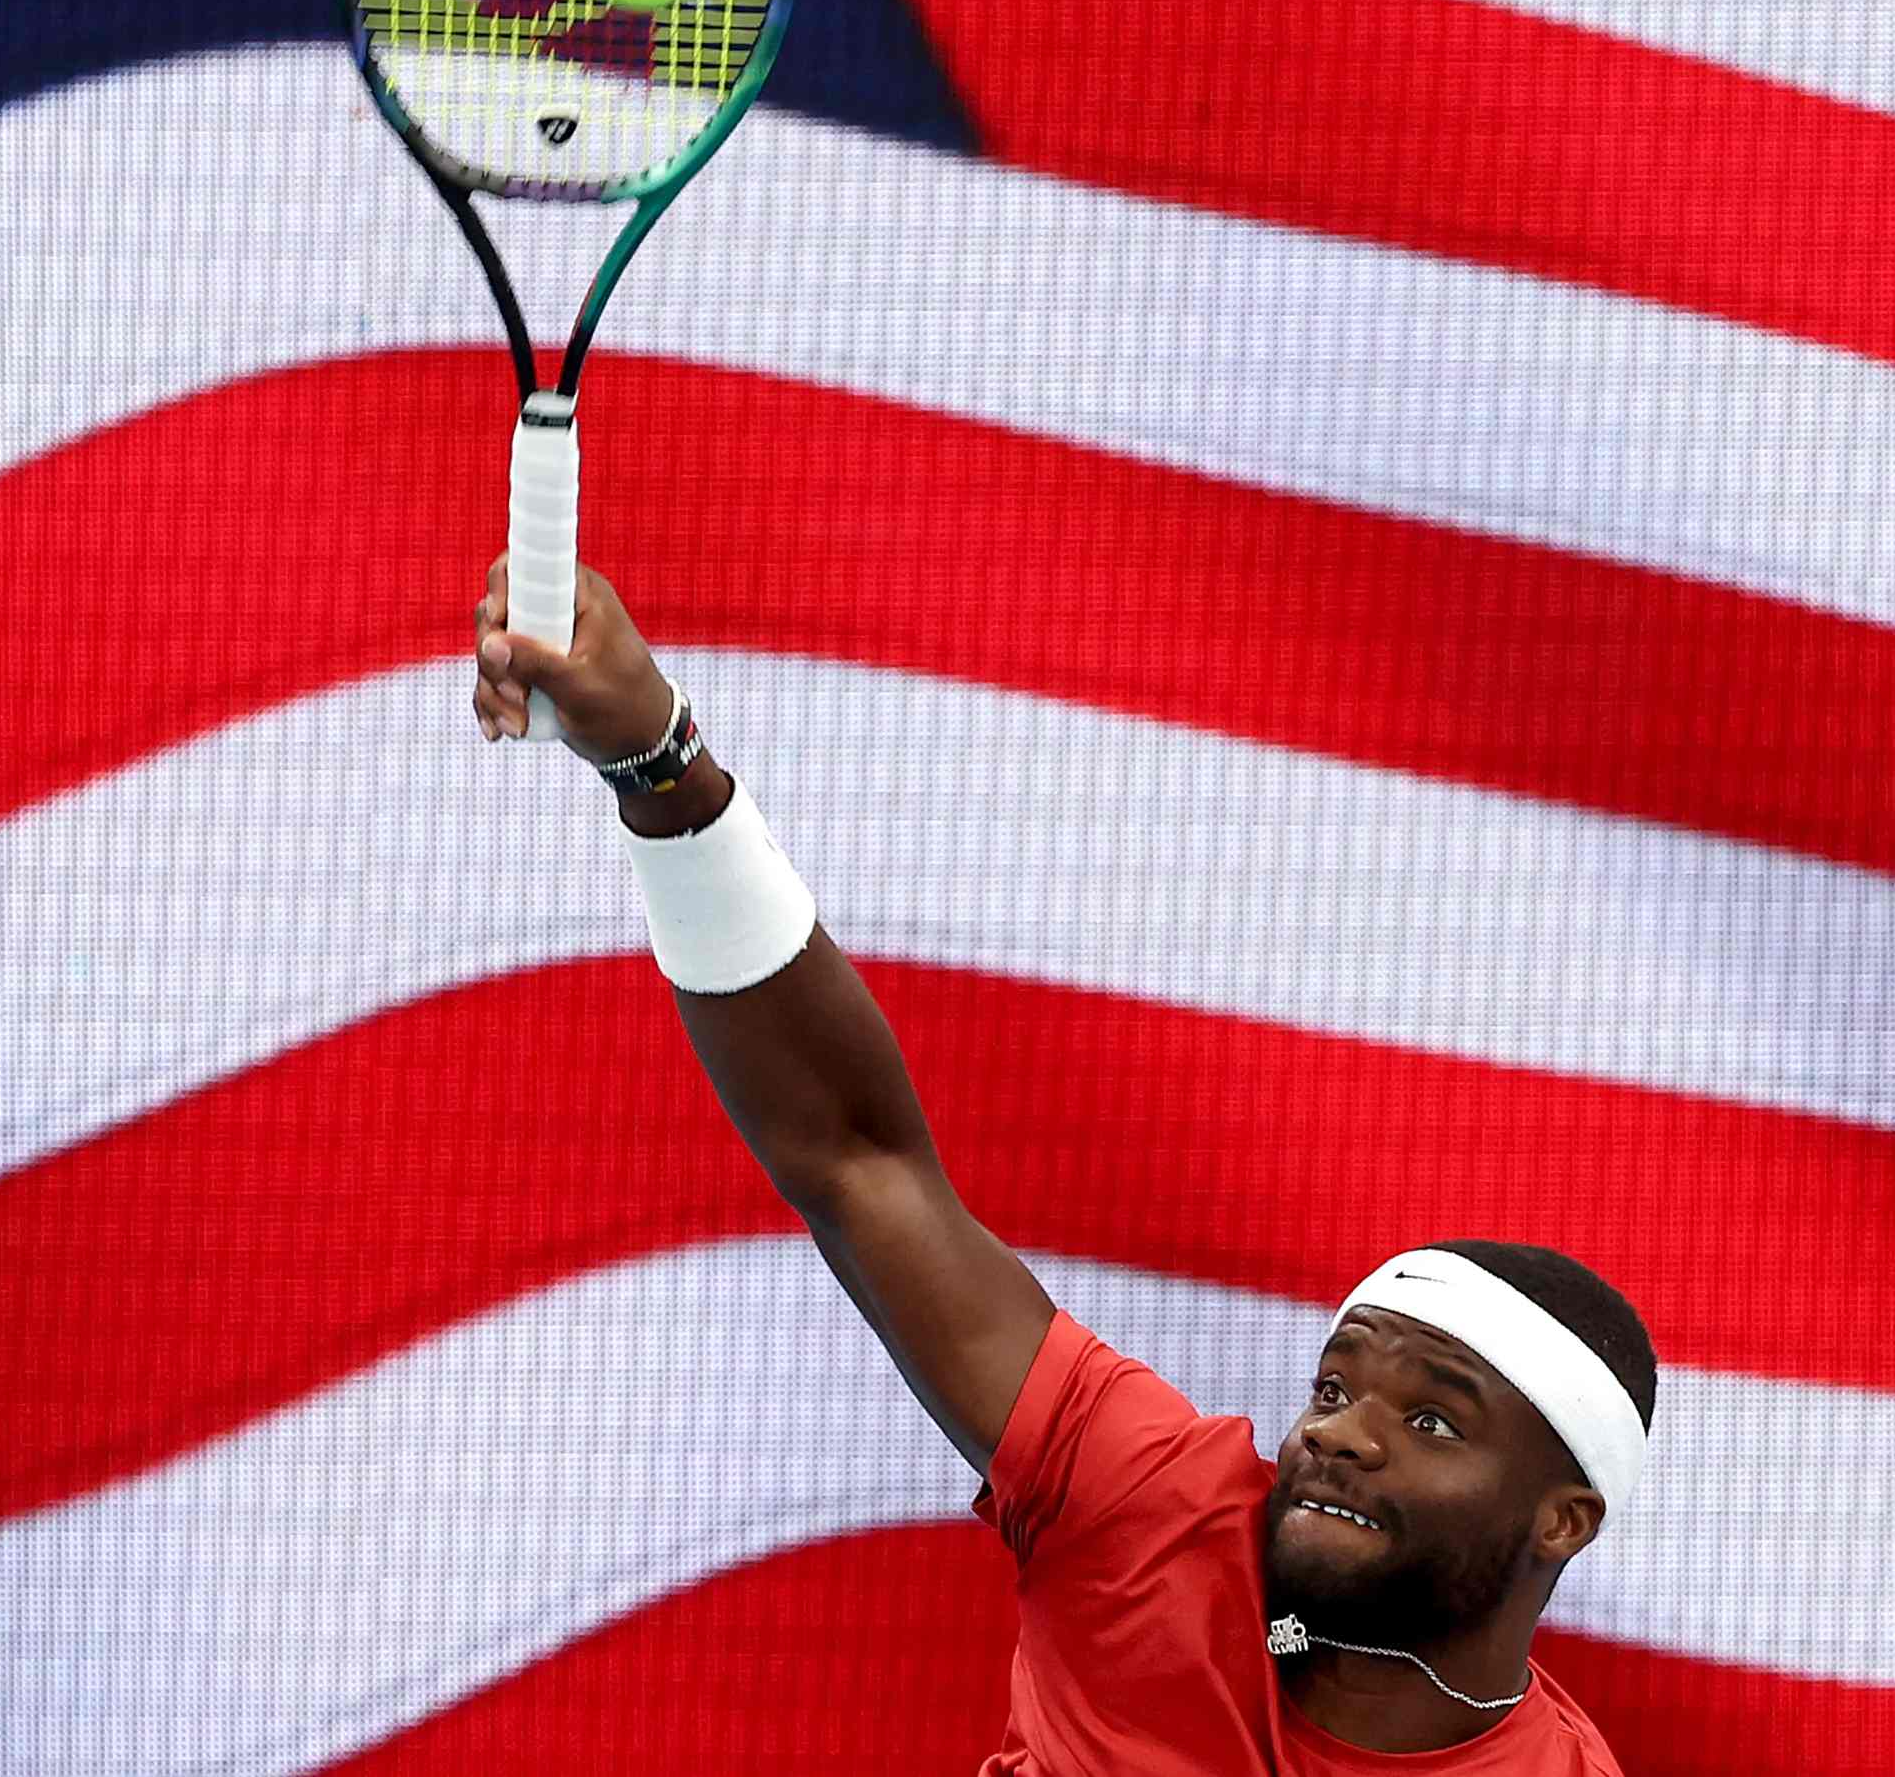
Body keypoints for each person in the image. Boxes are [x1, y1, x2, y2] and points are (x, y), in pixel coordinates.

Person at [475, 562, 1653, 1770]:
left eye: (1428, 1418)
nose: (1341, 1436)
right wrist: (658, 766)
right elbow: (857, 1160)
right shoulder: (1160, 1512)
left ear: (1562, 1521)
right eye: (1334, 1388)